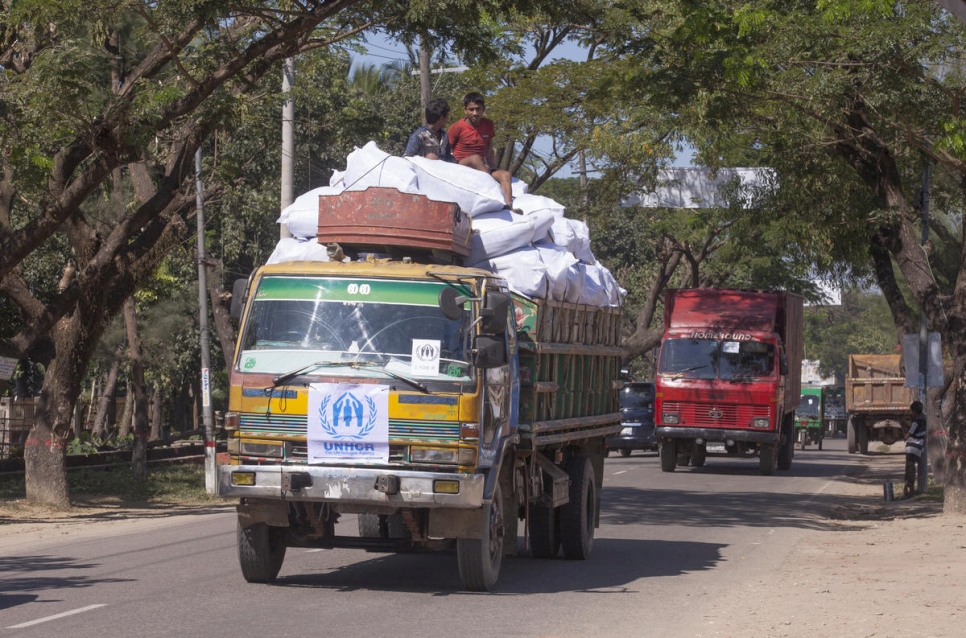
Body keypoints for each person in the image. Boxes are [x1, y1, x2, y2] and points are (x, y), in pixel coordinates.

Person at [447, 91, 516, 210]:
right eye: (471, 109)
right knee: (475, 159)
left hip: (481, 167)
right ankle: (492, 187)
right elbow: (447, 151)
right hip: (461, 165)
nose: (475, 113)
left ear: (483, 109)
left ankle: (507, 205)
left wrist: (493, 168)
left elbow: (489, 150)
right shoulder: (457, 127)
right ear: (465, 110)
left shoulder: (488, 124)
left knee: (505, 175)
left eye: (478, 109)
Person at [904, 400, 927, 497]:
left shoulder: (915, 422)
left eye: (912, 411)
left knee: (910, 469)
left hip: (912, 448)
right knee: (921, 469)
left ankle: (911, 489)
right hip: (920, 447)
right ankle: (920, 488)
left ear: (914, 411)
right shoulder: (925, 419)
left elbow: (907, 436)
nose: (911, 413)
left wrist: (903, 428)